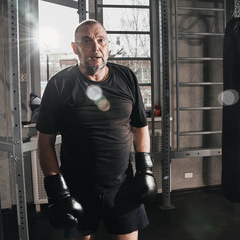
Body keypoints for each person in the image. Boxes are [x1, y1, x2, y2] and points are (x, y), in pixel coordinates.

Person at [36, 19, 157, 240]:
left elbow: (140, 127)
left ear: (107, 45)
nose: (96, 46)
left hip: (122, 187)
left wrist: (145, 168)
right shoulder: (59, 84)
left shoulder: (127, 77)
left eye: (101, 40)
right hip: (77, 189)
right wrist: (58, 192)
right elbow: (45, 142)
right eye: (87, 41)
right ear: (75, 48)